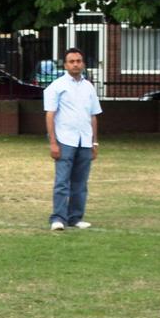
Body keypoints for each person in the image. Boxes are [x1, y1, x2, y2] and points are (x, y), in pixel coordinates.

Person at [43, 47, 102, 231]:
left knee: (80, 183)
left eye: (78, 61)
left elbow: (93, 115)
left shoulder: (88, 86)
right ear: (66, 64)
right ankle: (58, 218)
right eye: (72, 61)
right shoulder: (57, 86)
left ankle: (75, 217)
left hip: (84, 141)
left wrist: (94, 142)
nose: (76, 64)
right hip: (65, 140)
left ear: (83, 63)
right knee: (62, 182)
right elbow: (50, 115)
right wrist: (53, 142)